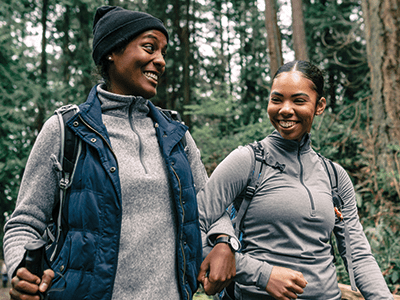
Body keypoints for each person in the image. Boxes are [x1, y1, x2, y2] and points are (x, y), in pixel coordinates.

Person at [3, 6, 235, 300]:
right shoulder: (66, 130)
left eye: (163, 52)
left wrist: (224, 242)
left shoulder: (178, 136)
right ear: (113, 51)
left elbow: (213, 211)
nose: (160, 61)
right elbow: (24, 223)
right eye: (150, 47)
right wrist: (20, 270)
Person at [197, 60, 393, 299]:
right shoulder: (247, 161)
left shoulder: (335, 176)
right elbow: (193, 228)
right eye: (277, 99)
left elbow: (359, 256)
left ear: (319, 106)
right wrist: (261, 273)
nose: (285, 109)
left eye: (299, 100)